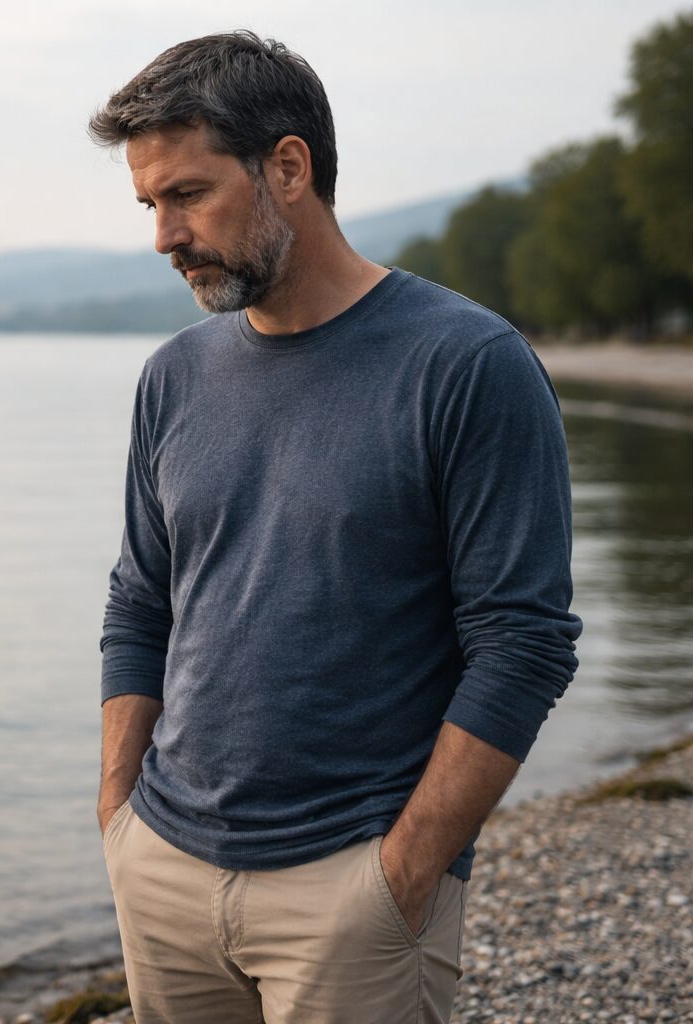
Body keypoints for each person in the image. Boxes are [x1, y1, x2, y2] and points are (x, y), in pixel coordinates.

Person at [90, 31, 581, 1024]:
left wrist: (401, 873)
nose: (163, 237)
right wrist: (118, 821)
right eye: (149, 204)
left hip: (351, 885)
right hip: (164, 870)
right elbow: (139, 603)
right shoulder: (173, 376)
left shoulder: (466, 363)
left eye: (187, 195)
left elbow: (522, 644)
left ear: (288, 167)